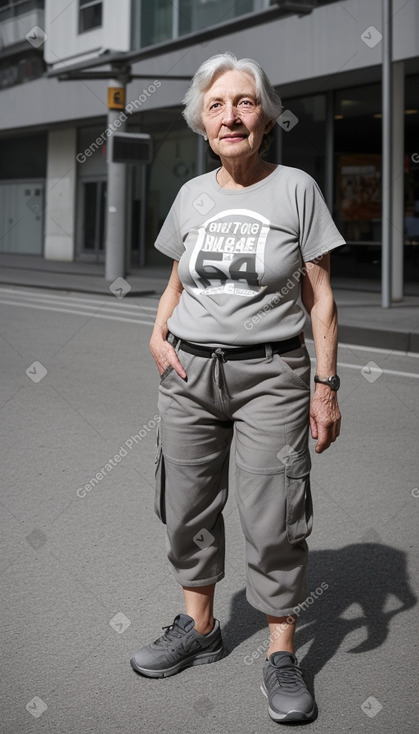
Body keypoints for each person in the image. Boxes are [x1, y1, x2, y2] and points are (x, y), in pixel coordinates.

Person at [130, 52, 344, 724]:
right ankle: (200, 629)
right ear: (202, 121)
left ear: (266, 116)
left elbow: (321, 299)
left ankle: (280, 652)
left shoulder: (297, 189)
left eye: (244, 102)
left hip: (272, 376)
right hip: (189, 373)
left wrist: (325, 385)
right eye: (217, 105)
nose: (231, 116)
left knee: (274, 514)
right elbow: (174, 284)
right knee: (186, 505)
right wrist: (157, 336)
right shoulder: (192, 195)